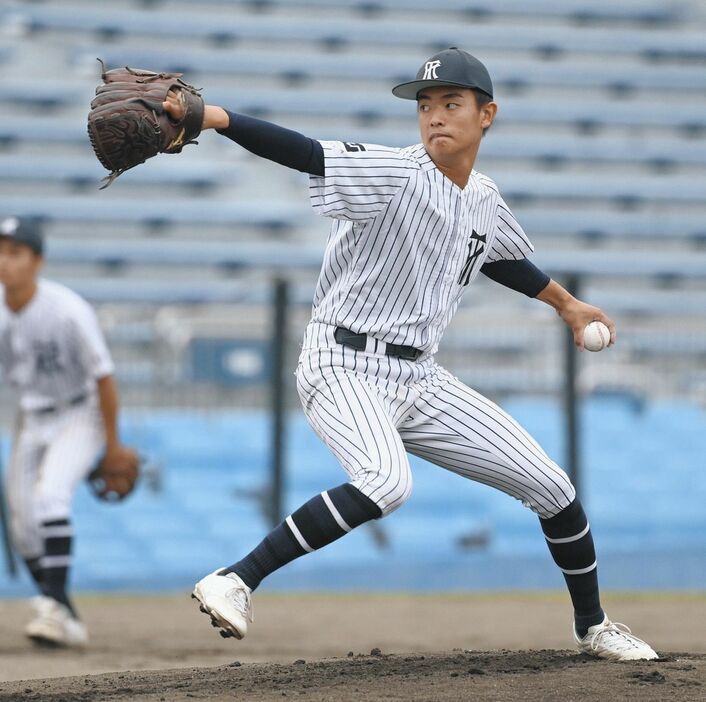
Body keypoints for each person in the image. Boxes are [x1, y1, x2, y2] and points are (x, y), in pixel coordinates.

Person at [173, 48, 657, 660]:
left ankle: (593, 626)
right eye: (426, 106)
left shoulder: (481, 194)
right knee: (384, 481)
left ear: (488, 115)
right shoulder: (395, 172)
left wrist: (564, 303)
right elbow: (307, 153)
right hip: (342, 361)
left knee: (553, 486)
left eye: (451, 104)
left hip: (419, 376)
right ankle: (235, 579)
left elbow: (498, 254)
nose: (434, 116)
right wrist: (216, 117)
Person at [0, 216, 137, 648]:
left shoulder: (66, 309)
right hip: (33, 415)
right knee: (22, 525)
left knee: (50, 498)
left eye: (15, 252)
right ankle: (63, 612)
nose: (5, 261)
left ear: (37, 261)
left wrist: (113, 446)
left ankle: (54, 610)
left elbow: (104, 378)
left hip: (81, 413)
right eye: (0, 251)